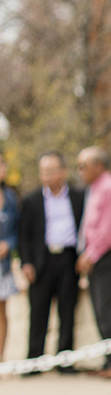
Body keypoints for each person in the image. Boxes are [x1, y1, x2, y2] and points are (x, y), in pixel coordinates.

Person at [17, 152, 85, 371]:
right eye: (43, 171)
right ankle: (34, 361)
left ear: (63, 172)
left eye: (50, 171)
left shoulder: (78, 197)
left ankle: (65, 361)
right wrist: (26, 263)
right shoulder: (30, 200)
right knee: (38, 311)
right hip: (41, 261)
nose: (45, 175)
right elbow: (23, 235)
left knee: (67, 311)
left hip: (68, 259)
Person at [75, 147, 111, 379]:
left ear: (99, 166)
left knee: (108, 311)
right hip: (97, 256)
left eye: (83, 166)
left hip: (107, 256)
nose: (80, 172)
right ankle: (109, 361)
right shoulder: (95, 189)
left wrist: (90, 256)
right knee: (100, 311)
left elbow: (107, 231)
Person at [0, 153, 19, 361]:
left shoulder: (11, 198)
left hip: (3, 266)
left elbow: (17, 231)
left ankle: (1, 359)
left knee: (2, 313)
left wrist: (8, 244)